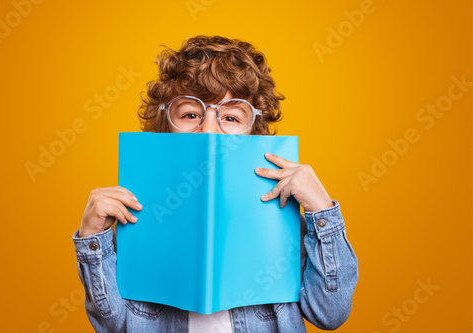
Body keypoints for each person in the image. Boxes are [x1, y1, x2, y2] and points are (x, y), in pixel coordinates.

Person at [72, 35, 358, 333]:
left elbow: (330, 314)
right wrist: (93, 240)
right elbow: (111, 325)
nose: (209, 130)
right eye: (191, 114)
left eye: (231, 117)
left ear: (254, 133)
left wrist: (323, 212)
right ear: (165, 125)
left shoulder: (282, 218)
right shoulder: (135, 217)